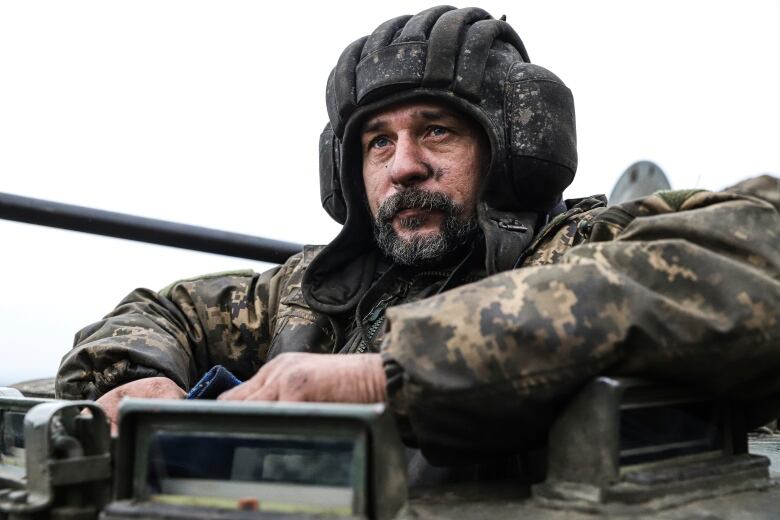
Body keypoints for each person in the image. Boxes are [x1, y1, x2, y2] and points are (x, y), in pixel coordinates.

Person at [56, 6, 779, 469]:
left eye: (437, 130)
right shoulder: (313, 295)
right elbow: (163, 311)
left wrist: (387, 374)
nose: (403, 166)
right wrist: (135, 380)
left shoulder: (583, 245)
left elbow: (759, 250)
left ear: (510, 152)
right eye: (377, 142)